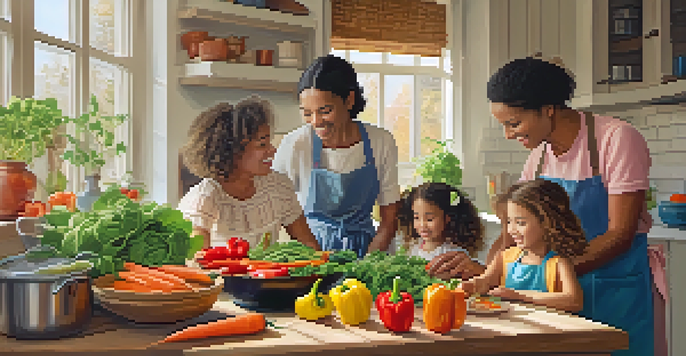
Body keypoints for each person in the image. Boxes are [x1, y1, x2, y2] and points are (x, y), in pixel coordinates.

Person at [429, 56, 654, 356]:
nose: (509, 134)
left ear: (548, 109)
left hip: (613, 290)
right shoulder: (538, 159)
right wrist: (489, 273)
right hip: (554, 298)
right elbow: (514, 231)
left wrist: (549, 274)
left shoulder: (616, 139)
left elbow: (620, 233)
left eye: (514, 123)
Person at [272, 55, 401, 259]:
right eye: (307, 113)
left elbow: (390, 218)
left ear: (349, 100)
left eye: (325, 111)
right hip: (310, 253)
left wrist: (366, 264)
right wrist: (318, 259)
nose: (315, 122)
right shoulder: (295, 144)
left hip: (367, 250)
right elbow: (273, 202)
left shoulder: (380, 141)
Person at [176, 96, 321, 251]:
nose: (273, 150)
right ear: (233, 151)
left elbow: (310, 246)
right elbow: (197, 261)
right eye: (262, 144)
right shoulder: (204, 198)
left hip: (270, 275)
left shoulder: (278, 187)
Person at [460, 179, 586, 313]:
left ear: (547, 223)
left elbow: (574, 301)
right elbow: (485, 281)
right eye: (509, 222)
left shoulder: (557, 263)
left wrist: (519, 296)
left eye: (520, 223)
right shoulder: (505, 258)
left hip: (548, 330)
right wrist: (471, 285)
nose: (511, 230)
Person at [391, 182, 484, 262]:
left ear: (448, 218)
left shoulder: (453, 253)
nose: (422, 225)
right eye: (416, 218)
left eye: (430, 219)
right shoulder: (412, 248)